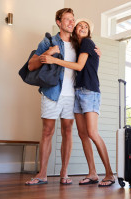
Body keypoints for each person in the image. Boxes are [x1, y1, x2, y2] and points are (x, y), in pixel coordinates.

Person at [25, 9, 101, 185]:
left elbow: (88, 61)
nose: (71, 23)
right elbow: (30, 66)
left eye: (72, 20)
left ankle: (64, 173)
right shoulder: (49, 41)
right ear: (58, 22)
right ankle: (42, 174)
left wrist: (98, 52)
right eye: (67, 20)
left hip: (71, 95)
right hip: (52, 93)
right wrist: (49, 53)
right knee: (47, 132)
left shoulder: (79, 43)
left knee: (68, 132)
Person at [40, 18, 115, 187]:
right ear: (75, 30)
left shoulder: (88, 43)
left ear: (89, 32)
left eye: (86, 26)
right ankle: (93, 173)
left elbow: (80, 66)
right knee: (82, 135)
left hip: (90, 92)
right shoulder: (78, 47)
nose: (82, 27)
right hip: (78, 92)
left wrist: (54, 60)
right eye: (79, 25)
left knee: (92, 132)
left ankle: (109, 174)